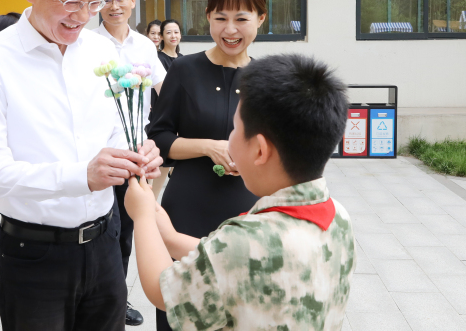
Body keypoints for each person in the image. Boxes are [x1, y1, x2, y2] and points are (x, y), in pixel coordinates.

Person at [0, 0, 163, 331]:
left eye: (93, 2)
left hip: (105, 242)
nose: (84, 16)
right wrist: (81, 176)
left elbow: (116, 128)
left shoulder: (102, 51)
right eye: (71, 1)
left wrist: (136, 150)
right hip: (34, 253)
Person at [126, 54, 355, 331]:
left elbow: (163, 292)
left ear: (259, 150)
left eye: (235, 128)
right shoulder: (338, 217)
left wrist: (142, 216)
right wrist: (168, 232)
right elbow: (241, 257)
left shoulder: (242, 241)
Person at [147, 0, 268, 330]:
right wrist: (208, 147)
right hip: (188, 206)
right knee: (181, 307)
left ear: (260, 19)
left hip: (246, 211)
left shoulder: (267, 78)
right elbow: (159, 138)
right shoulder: (185, 69)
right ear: (208, 18)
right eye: (220, 18)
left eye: (241, 18)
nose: (230, 29)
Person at [93, 0, 166, 327]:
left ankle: (118, 299)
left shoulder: (145, 46)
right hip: (99, 156)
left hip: (134, 155)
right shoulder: (88, 44)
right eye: (106, 0)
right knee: (101, 230)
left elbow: (165, 90)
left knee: (125, 233)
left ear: (133, 1)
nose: (114, 6)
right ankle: (100, 296)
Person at [150, 19, 184, 199]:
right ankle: (151, 202)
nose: (173, 36)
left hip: (180, 115)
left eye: (176, 32)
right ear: (162, 36)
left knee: (169, 164)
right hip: (162, 116)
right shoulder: (158, 59)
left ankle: (155, 202)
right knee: (161, 163)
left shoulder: (184, 60)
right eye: (168, 32)